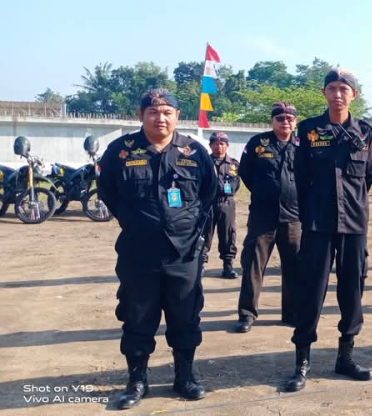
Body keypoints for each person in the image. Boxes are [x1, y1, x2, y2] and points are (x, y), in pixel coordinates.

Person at [97, 89, 215, 409]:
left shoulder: (195, 151)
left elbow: (208, 195)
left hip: (183, 253)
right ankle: (137, 381)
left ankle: (184, 377)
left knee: (186, 316)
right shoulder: (121, 151)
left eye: (166, 112)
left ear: (177, 116)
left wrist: (193, 234)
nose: (159, 118)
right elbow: (108, 192)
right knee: (137, 316)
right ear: (141, 115)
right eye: (152, 112)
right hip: (139, 252)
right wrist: (136, 222)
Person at [287, 68, 372, 391]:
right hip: (318, 222)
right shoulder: (309, 130)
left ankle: (345, 357)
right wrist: (309, 213)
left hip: (354, 222)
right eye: (332, 88)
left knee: (352, 289)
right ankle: (302, 361)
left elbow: (368, 177)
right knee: (311, 290)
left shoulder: (366, 132)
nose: (338, 94)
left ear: (353, 94)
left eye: (343, 88)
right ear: (324, 93)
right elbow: (299, 178)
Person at [234, 102, 303, 333]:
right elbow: (246, 173)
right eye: (280, 118)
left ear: (295, 121)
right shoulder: (258, 143)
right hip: (263, 217)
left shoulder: (303, 144)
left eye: (289, 118)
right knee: (253, 265)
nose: (285, 122)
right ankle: (246, 314)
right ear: (272, 121)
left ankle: (292, 313)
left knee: (294, 266)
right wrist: (265, 192)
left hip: (293, 216)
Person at [203, 132, 240, 278]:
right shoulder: (205, 162)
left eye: (222, 143)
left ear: (227, 145)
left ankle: (228, 266)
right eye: (215, 144)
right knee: (204, 233)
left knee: (228, 234)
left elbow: (237, 183)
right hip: (208, 203)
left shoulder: (233, 164)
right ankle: (200, 264)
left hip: (226, 202)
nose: (219, 146)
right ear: (210, 145)